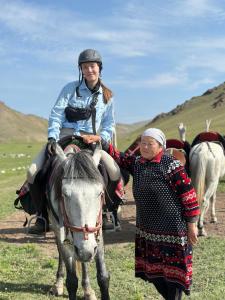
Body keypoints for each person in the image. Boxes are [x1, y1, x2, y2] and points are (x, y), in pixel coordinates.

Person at [99, 128, 200, 300]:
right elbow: (120, 157)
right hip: (148, 231)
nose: (144, 147)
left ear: (160, 146)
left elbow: (189, 196)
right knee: (156, 276)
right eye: (142, 143)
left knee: (174, 279)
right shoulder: (137, 163)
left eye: (150, 144)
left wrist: (191, 225)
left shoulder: (172, 165)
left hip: (173, 232)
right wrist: (101, 142)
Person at [27, 48, 117, 234]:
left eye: (92, 66)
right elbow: (56, 114)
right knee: (33, 172)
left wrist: (101, 137)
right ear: (81, 70)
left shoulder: (107, 96)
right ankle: (42, 216)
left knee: (114, 172)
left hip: (91, 140)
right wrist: (52, 138)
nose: (89, 70)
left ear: (99, 68)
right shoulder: (69, 89)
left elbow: (108, 124)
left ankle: (107, 211)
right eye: (85, 67)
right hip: (64, 138)